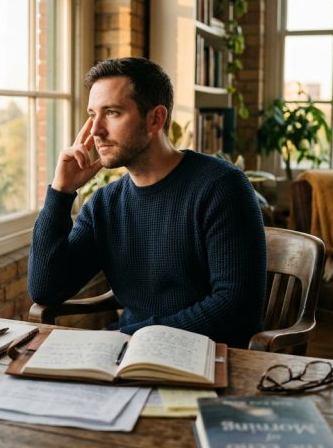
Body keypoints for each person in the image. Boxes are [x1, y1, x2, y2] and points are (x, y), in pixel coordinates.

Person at [27, 57, 266, 347]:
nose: (95, 131)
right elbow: (45, 289)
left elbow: (236, 309)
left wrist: (133, 338)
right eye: (93, 115)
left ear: (156, 119)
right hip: (129, 357)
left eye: (112, 113)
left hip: (207, 360)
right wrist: (60, 192)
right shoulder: (106, 204)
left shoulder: (221, 186)